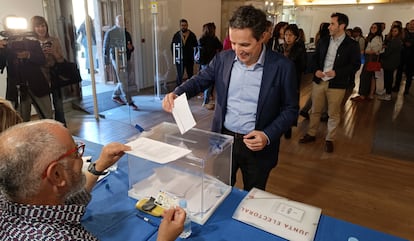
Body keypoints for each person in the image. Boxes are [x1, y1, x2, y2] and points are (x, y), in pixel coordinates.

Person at [162, 5, 298, 191]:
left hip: (258, 147)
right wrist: (177, 92)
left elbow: (291, 109)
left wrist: (267, 135)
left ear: (262, 38)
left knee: (253, 197)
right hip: (223, 141)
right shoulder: (223, 59)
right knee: (219, 191)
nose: (237, 50)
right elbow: (199, 81)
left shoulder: (283, 66)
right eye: (233, 43)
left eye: (245, 44)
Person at [0, 119, 185, 241]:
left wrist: (98, 166)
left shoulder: (17, 200)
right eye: (76, 152)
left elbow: (64, 202)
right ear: (56, 175)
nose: (81, 157)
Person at [299, 12, 360, 153]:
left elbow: (355, 65)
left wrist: (337, 72)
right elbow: (314, 58)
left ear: (342, 26)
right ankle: (311, 134)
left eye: (333, 24)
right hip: (319, 80)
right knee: (315, 110)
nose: (329, 27)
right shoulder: (324, 40)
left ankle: (329, 139)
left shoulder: (351, 45)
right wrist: (316, 70)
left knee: (333, 113)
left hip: (337, 83)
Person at [2, 26, 53, 122]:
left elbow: (42, 60)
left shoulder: (32, 43)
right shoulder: (5, 46)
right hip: (17, 88)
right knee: (20, 120)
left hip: (38, 85)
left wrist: (29, 55)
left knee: (48, 117)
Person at [31, 16, 67, 125]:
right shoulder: (31, 43)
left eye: (43, 26)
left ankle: (62, 128)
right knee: (44, 106)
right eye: (37, 26)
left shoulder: (54, 40)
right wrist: (40, 55)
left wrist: (53, 53)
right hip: (39, 77)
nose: (41, 29)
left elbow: (61, 60)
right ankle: (48, 129)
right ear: (33, 28)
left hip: (54, 75)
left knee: (58, 105)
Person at [103, 15, 138, 111]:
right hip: (117, 59)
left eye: (123, 20)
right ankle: (129, 102)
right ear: (116, 22)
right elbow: (105, 49)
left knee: (125, 80)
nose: (122, 22)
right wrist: (106, 63)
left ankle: (115, 95)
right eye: (120, 20)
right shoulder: (110, 33)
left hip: (127, 58)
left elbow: (131, 47)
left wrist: (131, 48)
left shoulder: (127, 33)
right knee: (124, 81)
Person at [351, 22, 383, 102]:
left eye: (375, 27)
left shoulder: (377, 38)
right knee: (372, 77)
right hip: (371, 59)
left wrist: (364, 51)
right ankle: (370, 94)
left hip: (371, 59)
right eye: (372, 27)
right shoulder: (373, 37)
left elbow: (375, 50)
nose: (372, 28)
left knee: (365, 76)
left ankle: (362, 95)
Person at [198, 22, 222, 110]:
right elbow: (220, 47)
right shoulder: (214, 39)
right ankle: (206, 100)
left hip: (203, 62)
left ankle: (206, 98)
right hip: (212, 62)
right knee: (210, 82)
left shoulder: (202, 39)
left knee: (204, 80)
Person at [171, 19, 198, 87]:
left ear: (187, 25)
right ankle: (178, 89)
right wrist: (175, 57)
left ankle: (191, 87)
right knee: (179, 74)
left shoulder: (192, 35)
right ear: (180, 26)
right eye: (182, 25)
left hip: (189, 58)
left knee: (190, 74)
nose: (183, 27)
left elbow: (196, 46)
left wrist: (194, 57)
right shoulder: (176, 35)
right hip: (179, 58)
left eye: (185, 25)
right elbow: (172, 47)